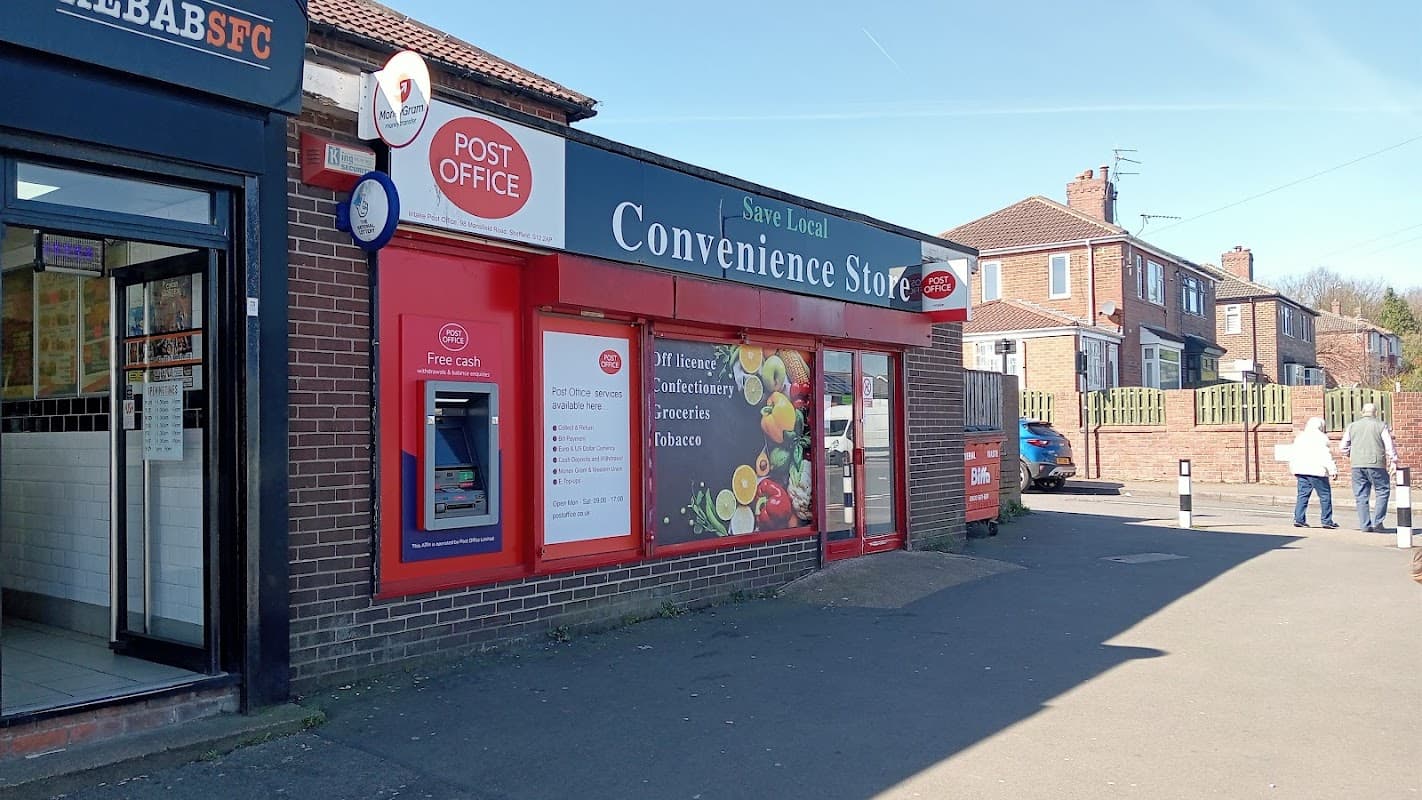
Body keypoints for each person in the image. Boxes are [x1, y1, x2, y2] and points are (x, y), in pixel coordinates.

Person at [1340, 403, 1398, 533]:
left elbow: (1343, 447)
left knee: (1361, 495)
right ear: (1376, 413)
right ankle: (1378, 522)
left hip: (1357, 464)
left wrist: (1350, 454)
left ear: (1362, 412)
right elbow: (1389, 445)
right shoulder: (1381, 425)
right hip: (1376, 463)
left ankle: (1365, 525)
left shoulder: (1352, 426)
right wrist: (1393, 459)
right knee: (1382, 491)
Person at [1288, 417, 1339, 529]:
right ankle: (1326, 520)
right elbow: (1325, 455)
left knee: (1302, 495)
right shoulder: (1322, 438)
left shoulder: (1300, 437)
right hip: (1317, 471)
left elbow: (1294, 454)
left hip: (1301, 470)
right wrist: (1332, 470)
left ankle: (1299, 519)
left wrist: (1293, 468)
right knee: (1325, 496)